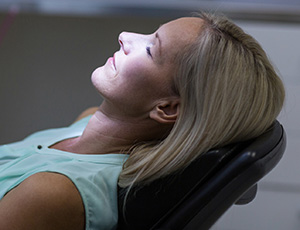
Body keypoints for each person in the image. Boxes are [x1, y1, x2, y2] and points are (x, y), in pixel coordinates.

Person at [0, 12, 285, 230]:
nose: (124, 35)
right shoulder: (85, 124)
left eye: (150, 49)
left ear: (167, 108)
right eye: (151, 35)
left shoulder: (52, 193)